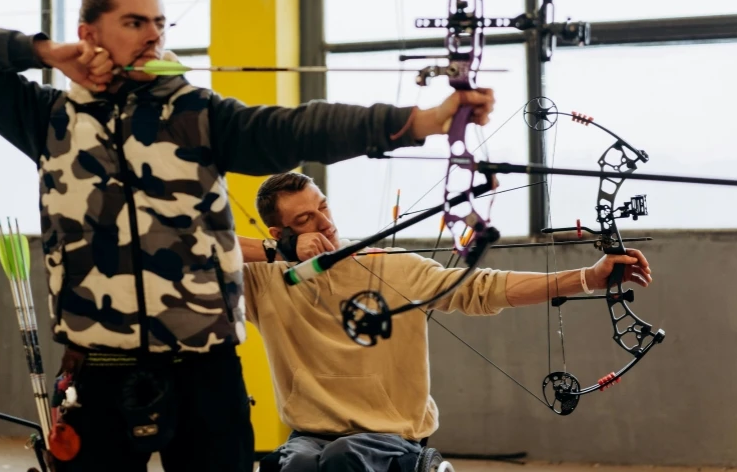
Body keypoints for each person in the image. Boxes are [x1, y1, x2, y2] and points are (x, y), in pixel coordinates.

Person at [0, 0, 496, 472]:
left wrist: (420, 121)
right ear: (89, 35)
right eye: (133, 21)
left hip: (203, 369)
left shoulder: (196, 114)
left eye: (160, 22)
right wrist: (42, 52)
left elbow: (296, 128)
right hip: (98, 366)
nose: (153, 34)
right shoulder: (46, 119)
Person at [239, 172, 654, 472]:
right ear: (279, 232)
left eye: (322, 206)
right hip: (310, 436)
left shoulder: (388, 267)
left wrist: (588, 278)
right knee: (293, 466)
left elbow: (482, 288)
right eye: (303, 220)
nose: (324, 222)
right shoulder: (263, 278)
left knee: (341, 461)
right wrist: (279, 253)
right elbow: (192, 247)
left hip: (388, 440)